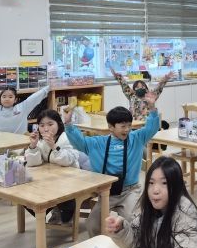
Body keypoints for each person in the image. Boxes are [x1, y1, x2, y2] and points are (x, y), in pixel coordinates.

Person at [63, 97, 160, 237]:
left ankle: (129, 246)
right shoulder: (98, 143)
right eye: (123, 126)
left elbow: (152, 127)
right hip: (107, 192)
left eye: (129, 125)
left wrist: (152, 108)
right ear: (111, 127)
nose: (127, 129)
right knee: (93, 225)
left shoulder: (137, 138)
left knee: (133, 221)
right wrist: (68, 124)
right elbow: (79, 142)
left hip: (130, 191)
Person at [105, 156, 197, 248]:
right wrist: (121, 229)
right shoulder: (149, 207)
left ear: (176, 185)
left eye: (164, 183)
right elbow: (136, 242)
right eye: (151, 183)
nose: (155, 190)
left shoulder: (185, 211)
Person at [24, 109, 80, 225]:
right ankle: (49, 211)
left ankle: (62, 211)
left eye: (50, 124)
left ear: (58, 124)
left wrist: (54, 146)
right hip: (49, 180)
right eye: (42, 125)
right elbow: (33, 163)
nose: (46, 129)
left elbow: (68, 161)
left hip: (69, 181)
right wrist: (33, 146)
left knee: (65, 215)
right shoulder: (41, 141)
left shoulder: (67, 137)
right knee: (25, 197)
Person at [110, 68, 175, 121]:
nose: (140, 88)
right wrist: (118, 77)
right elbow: (124, 86)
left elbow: (159, 87)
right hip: (134, 123)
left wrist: (166, 78)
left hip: (147, 123)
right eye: (137, 87)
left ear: (146, 89)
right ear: (134, 90)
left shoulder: (150, 96)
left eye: (142, 86)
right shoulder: (132, 96)